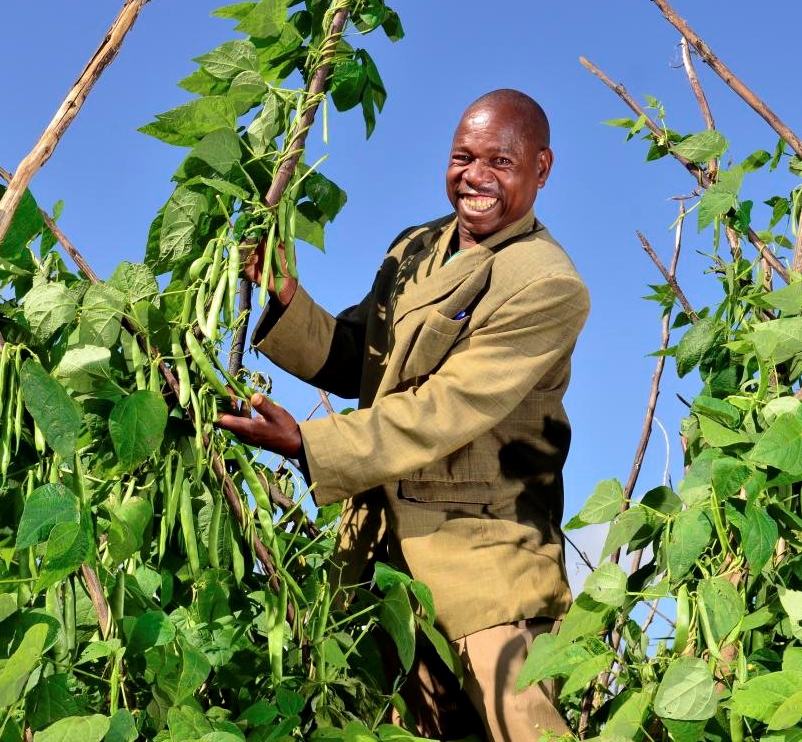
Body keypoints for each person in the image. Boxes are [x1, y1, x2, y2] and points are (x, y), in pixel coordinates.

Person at [217, 89, 590, 741]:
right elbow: (360, 358)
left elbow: (445, 410)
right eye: (462, 157)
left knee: (524, 729)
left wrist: (308, 445)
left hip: (485, 561)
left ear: (542, 168)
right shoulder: (416, 248)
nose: (475, 175)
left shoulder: (545, 283)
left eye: (499, 161)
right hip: (383, 559)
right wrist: (287, 298)